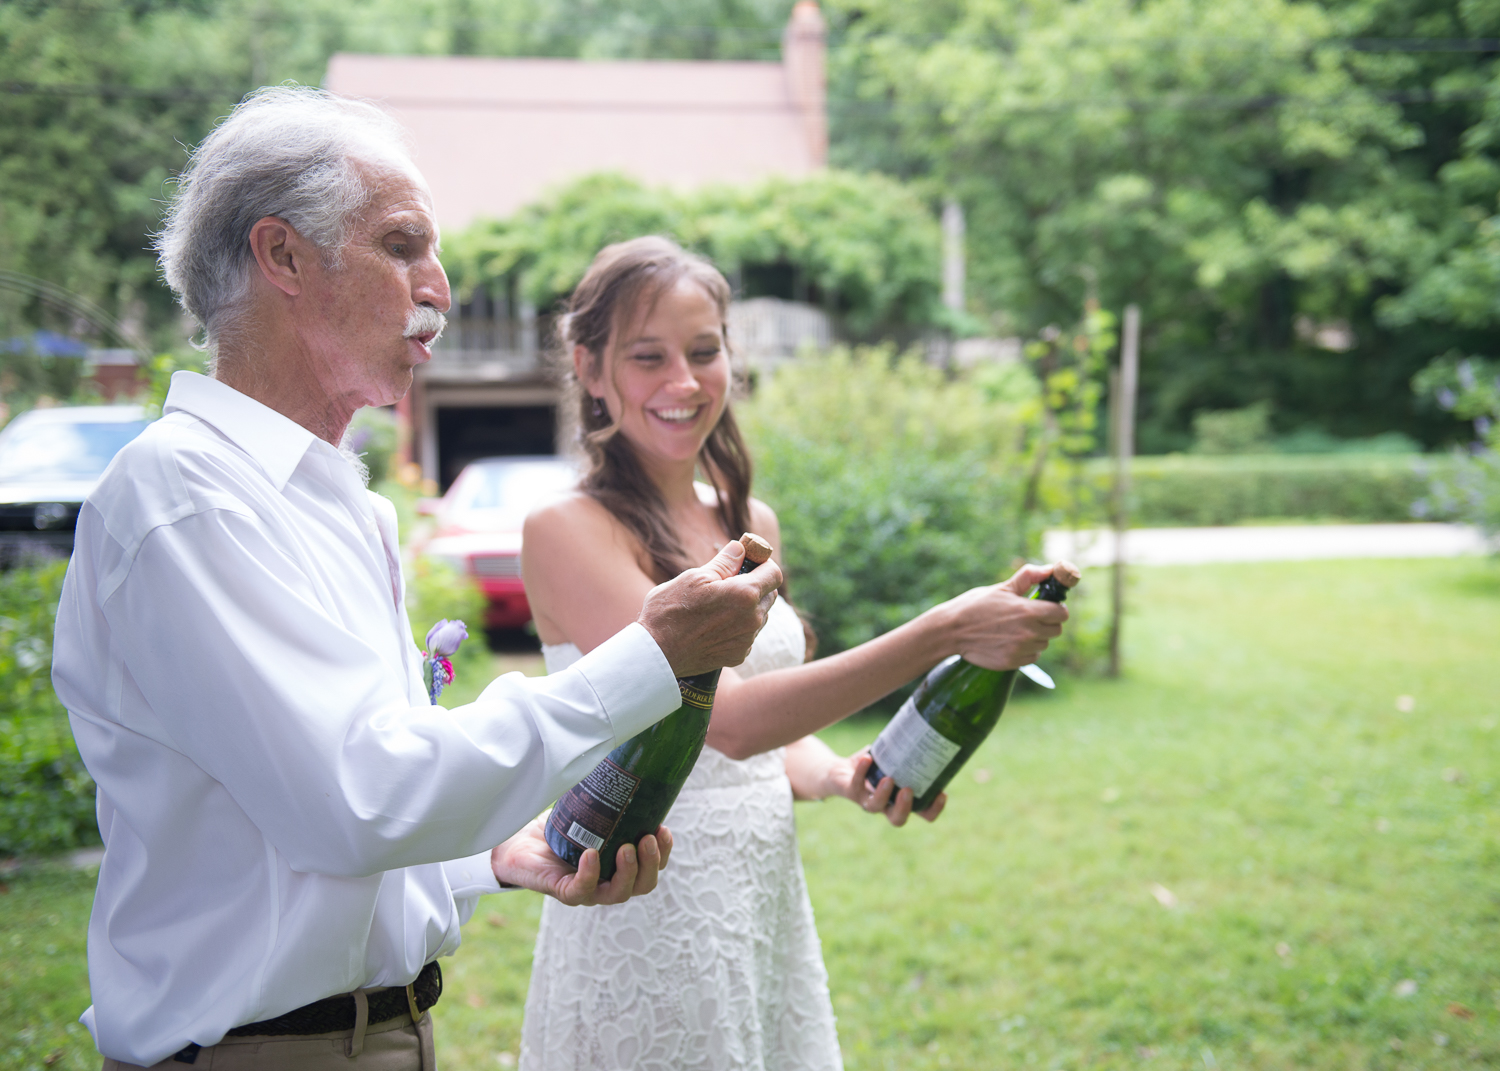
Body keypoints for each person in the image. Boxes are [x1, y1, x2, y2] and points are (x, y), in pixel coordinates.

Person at [49, 90, 782, 1071]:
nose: (437, 285)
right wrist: (653, 655)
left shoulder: (336, 504)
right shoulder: (187, 499)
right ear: (283, 257)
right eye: (402, 246)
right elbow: (359, 798)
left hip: (384, 1035)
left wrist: (487, 858)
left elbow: (319, 800)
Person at [516, 236, 1073, 1071]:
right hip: (645, 901)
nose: (684, 381)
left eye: (704, 352)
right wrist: (946, 629)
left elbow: (767, 735)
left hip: (763, 896)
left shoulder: (751, 523)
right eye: (648, 357)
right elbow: (728, 722)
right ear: (591, 369)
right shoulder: (565, 531)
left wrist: (838, 774)